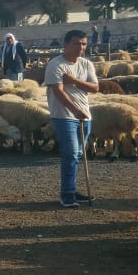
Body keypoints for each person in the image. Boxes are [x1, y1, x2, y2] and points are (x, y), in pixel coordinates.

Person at [45, 29, 99, 207]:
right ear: (66, 44)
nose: (81, 47)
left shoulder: (86, 64)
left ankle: (72, 189)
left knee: (77, 154)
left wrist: (74, 80)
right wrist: (75, 110)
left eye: (83, 44)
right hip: (64, 115)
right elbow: (58, 90)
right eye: (76, 43)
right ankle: (66, 193)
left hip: (85, 114)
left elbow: (94, 88)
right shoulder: (56, 64)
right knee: (70, 153)